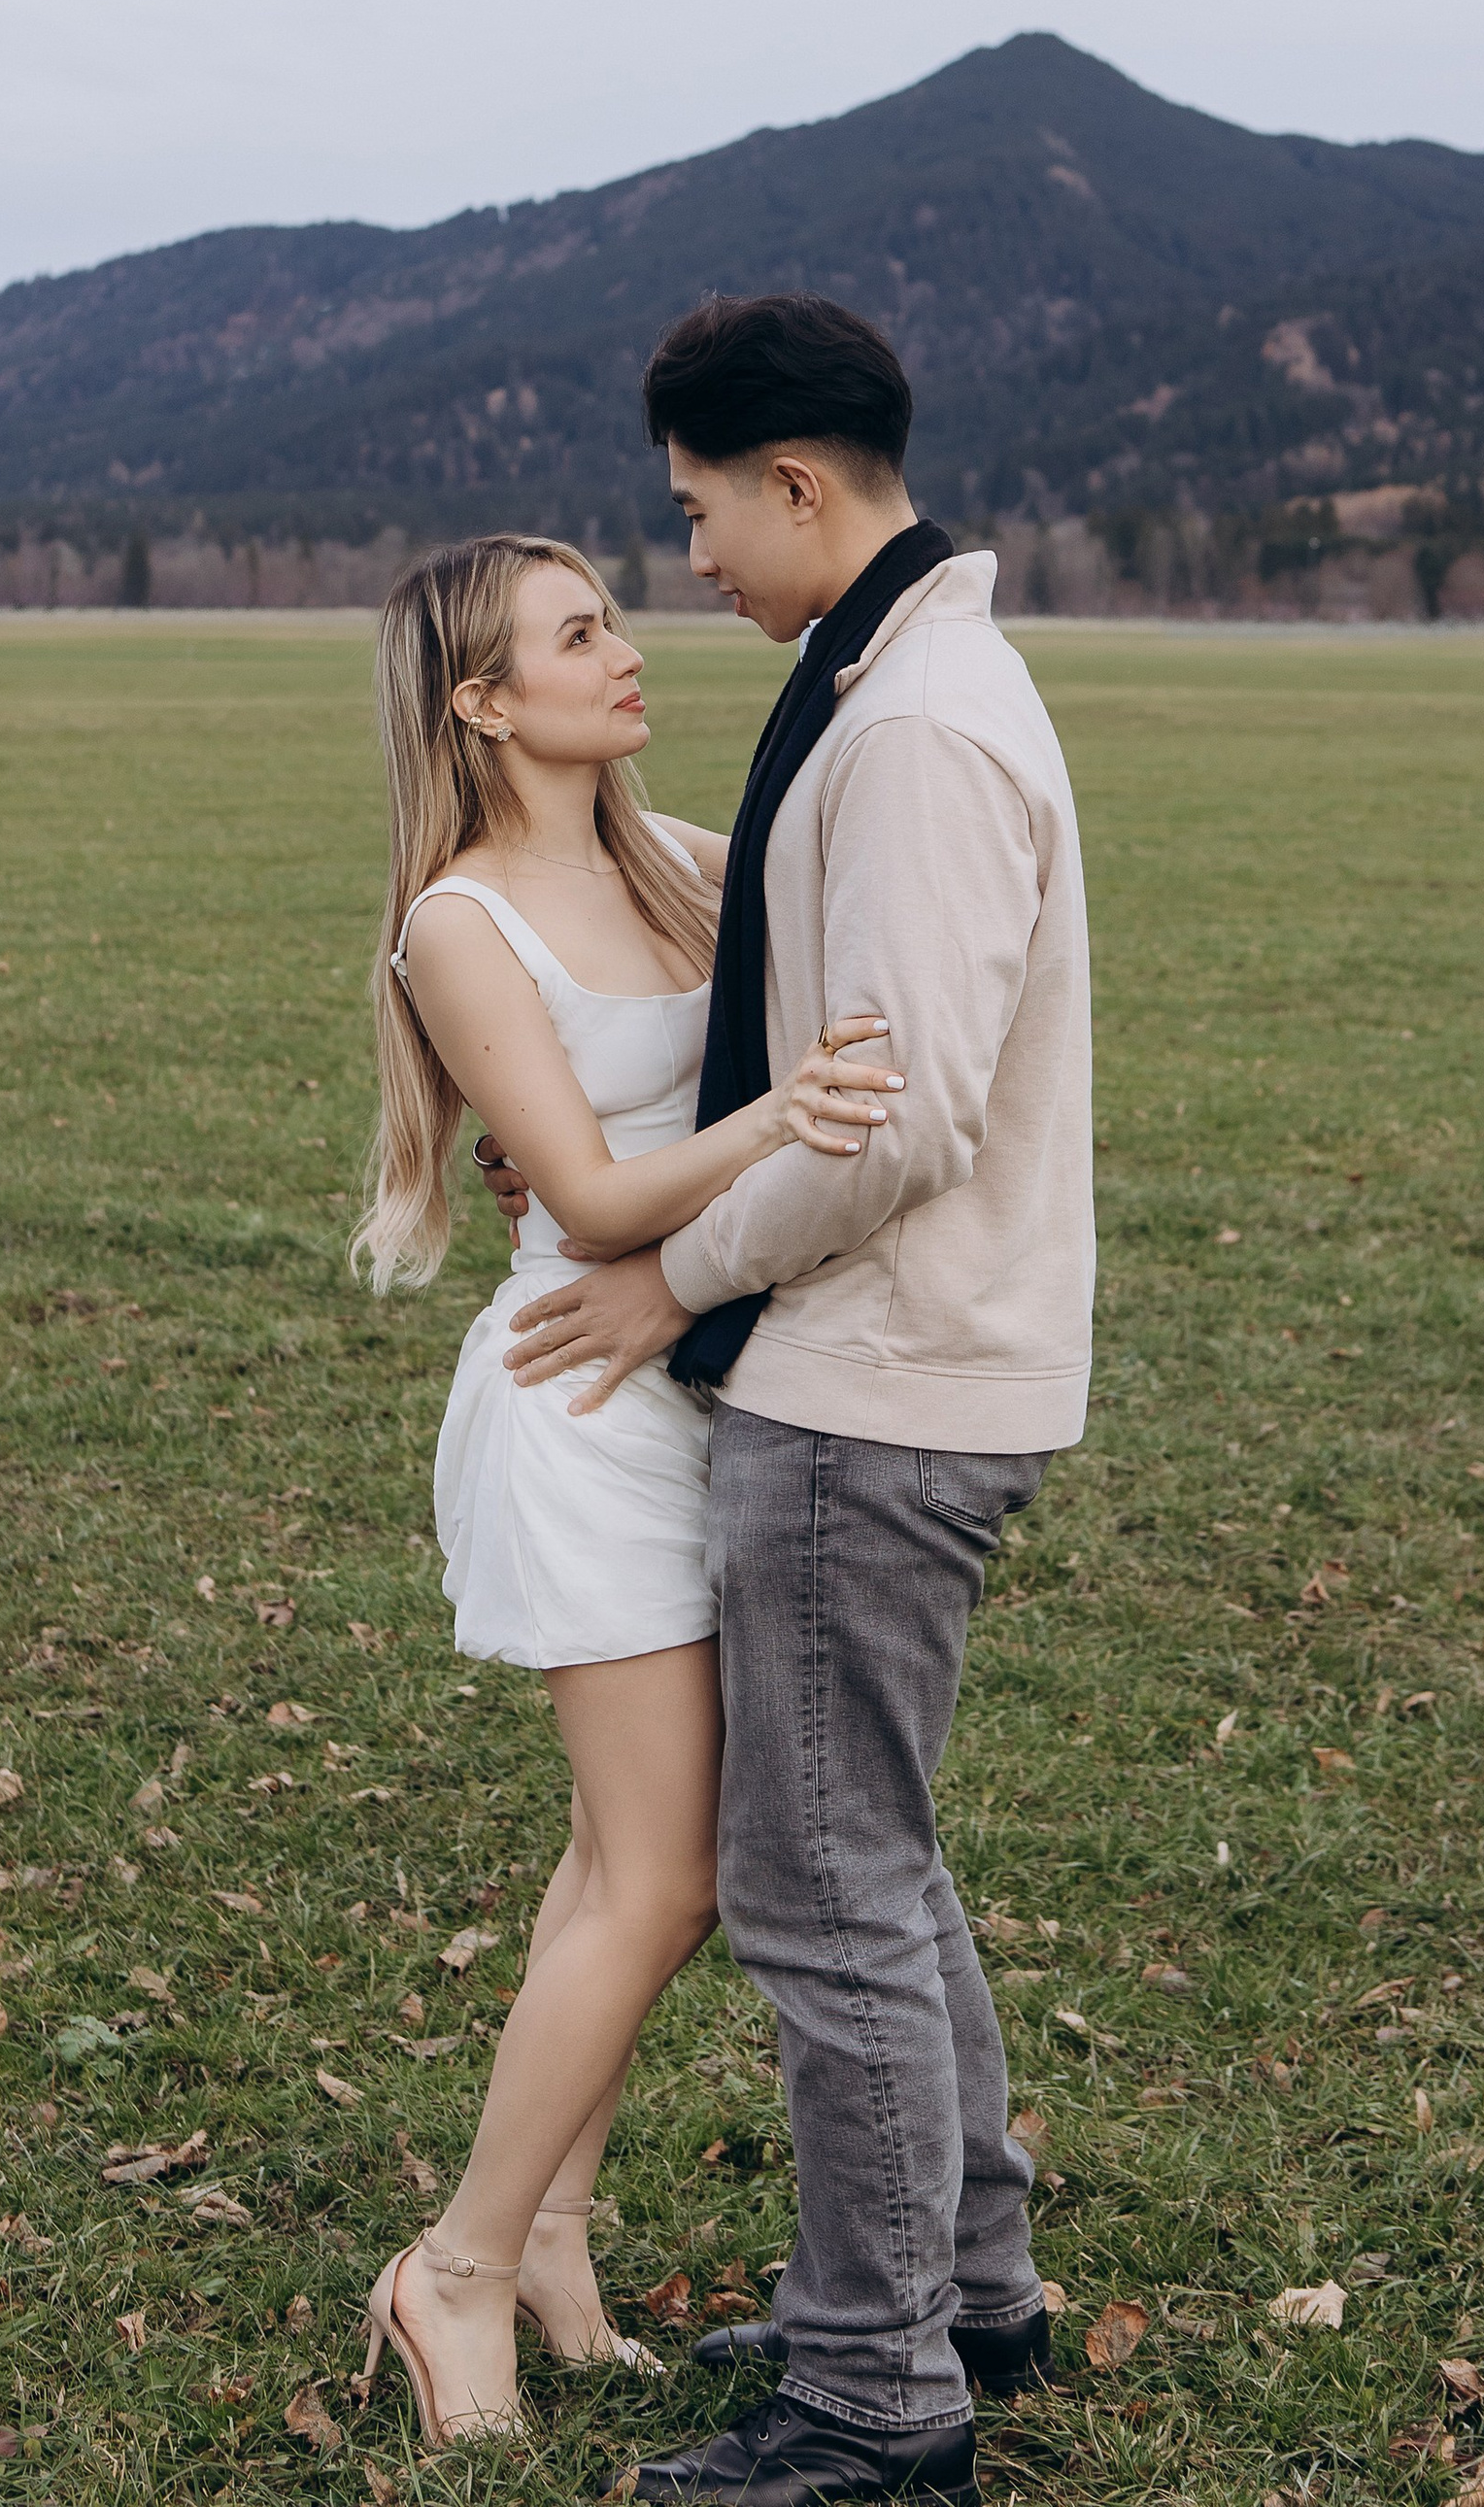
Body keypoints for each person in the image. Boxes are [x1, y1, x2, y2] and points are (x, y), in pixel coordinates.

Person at [495, 294, 1096, 2507]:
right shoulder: (888, 683)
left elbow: (896, 1119)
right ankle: (970, 2292)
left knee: (821, 1890)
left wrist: (663, 1276)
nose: (690, 565)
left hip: (873, 1389)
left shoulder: (917, 727)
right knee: (877, 1860)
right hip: (889, 1367)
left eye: (697, 516)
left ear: (798, 484)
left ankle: (871, 2397)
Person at [349, 531, 905, 2448]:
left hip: (699, 1384)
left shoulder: (680, 866)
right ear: (483, 701)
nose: (627, 648)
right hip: (578, 1397)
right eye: (578, 632)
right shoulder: (457, 923)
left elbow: (842, 921)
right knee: (665, 1877)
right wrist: (780, 1115)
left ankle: (554, 2238)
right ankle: (456, 2269)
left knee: (618, 1863)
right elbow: (583, 1198)